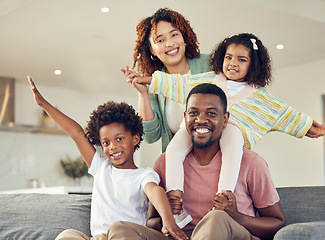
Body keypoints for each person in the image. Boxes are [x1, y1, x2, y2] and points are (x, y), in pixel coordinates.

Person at [127, 33, 325, 218]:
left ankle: (223, 196)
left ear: (254, 65)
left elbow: (287, 115)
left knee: (233, 143)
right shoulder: (209, 79)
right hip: (199, 129)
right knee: (173, 149)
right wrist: (143, 80)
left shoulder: (262, 98)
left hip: (234, 130)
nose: (233, 63)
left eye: (241, 59)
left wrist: (309, 127)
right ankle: (174, 194)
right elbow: (175, 84)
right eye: (228, 57)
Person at [114, 83, 286, 239]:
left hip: (229, 234)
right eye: (193, 113)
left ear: (225, 119)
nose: (201, 120)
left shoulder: (251, 163)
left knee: (216, 218)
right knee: (119, 229)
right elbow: (152, 222)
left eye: (211, 113)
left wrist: (237, 216)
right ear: (185, 117)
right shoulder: (165, 162)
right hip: (181, 236)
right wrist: (167, 213)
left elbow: (277, 222)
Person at [27, 76, 188, 240]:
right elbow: (76, 133)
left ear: (135, 139)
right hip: (97, 238)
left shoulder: (144, 175)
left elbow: (155, 192)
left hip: (125, 235)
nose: (112, 147)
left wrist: (168, 221)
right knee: (67, 235)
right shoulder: (100, 167)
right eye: (106, 142)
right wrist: (43, 104)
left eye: (119, 139)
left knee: (117, 230)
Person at [121, 8, 211, 154]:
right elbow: (151, 136)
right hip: (180, 166)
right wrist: (143, 92)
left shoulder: (210, 64)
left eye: (174, 34)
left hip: (218, 159)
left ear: (184, 37)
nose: (169, 43)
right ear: (151, 50)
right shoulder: (155, 85)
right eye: (160, 40)